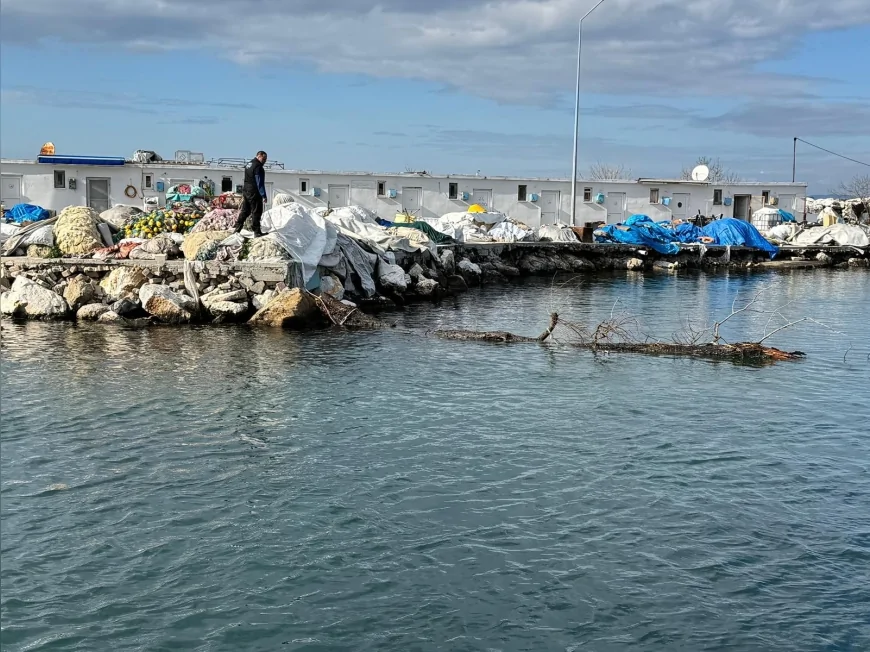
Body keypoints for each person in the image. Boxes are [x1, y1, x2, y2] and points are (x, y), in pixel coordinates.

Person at [234, 151, 268, 236]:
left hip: (246, 191)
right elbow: (259, 182)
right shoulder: (258, 166)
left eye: (265, 159)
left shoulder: (249, 164)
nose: (264, 161)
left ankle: (237, 229)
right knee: (256, 211)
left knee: (245, 210)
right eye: (263, 159)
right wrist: (263, 195)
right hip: (254, 192)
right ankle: (257, 232)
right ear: (259, 156)